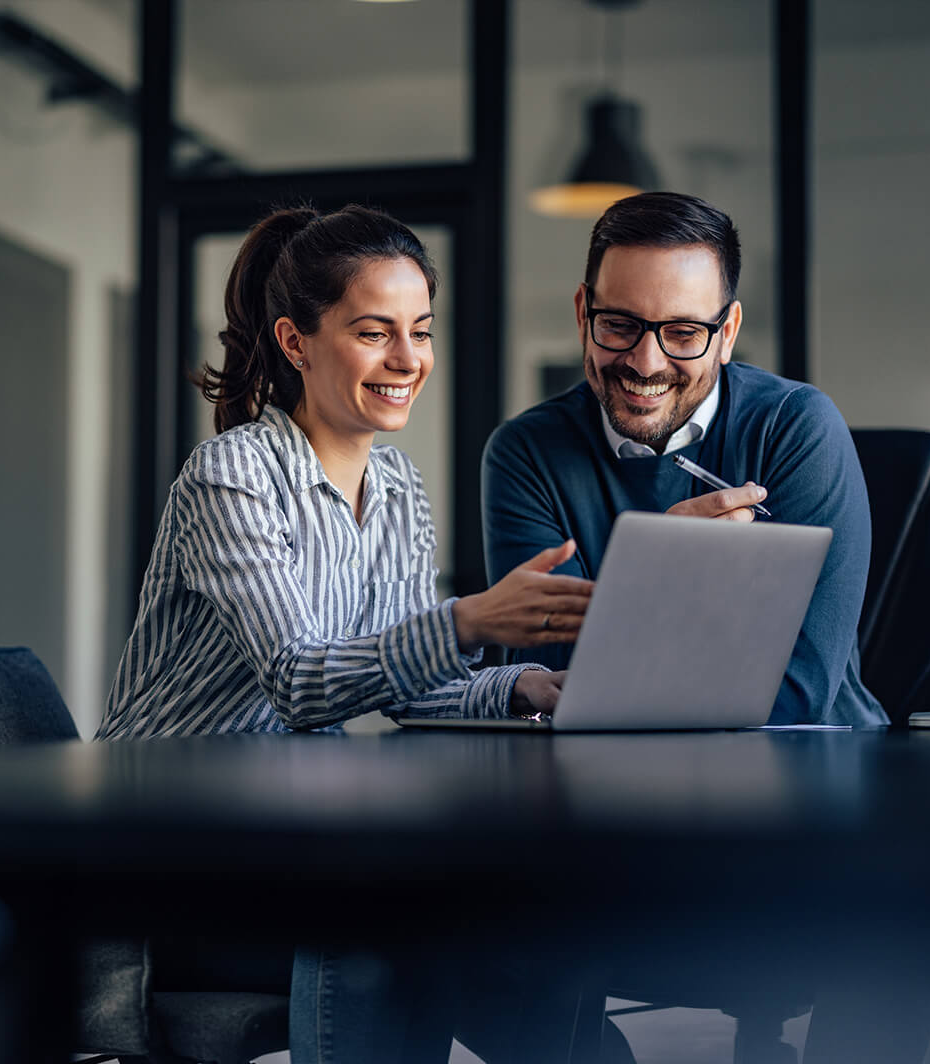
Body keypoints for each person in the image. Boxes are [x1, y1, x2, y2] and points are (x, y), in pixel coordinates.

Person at [96, 204, 627, 1063]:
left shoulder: (401, 489)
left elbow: (409, 684)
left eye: (420, 331)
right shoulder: (230, 474)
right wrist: (468, 619)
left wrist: (519, 688)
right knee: (399, 931)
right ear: (297, 342)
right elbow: (300, 683)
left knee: (535, 950)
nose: (408, 359)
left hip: (288, 845)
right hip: (168, 873)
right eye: (375, 332)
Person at [482, 191, 888, 728]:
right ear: (584, 314)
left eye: (683, 333)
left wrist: (629, 629)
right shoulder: (525, 453)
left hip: (814, 764)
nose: (646, 363)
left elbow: (799, 688)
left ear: (727, 334)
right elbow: (555, 685)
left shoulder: (797, 428)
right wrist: (660, 576)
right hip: (606, 778)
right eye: (620, 324)